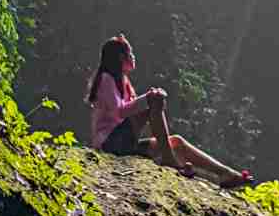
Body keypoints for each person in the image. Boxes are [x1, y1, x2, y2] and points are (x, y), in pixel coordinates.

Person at [87, 33, 253, 189]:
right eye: (130, 53)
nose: (133, 56)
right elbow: (120, 113)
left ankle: (225, 173)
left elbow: (131, 111)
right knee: (154, 100)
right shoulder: (106, 79)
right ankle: (169, 160)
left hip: (124, 141)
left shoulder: (123, 81)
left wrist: (148, 99)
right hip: (110, 144)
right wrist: (148, 98)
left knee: (177, 142)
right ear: (121, 57)